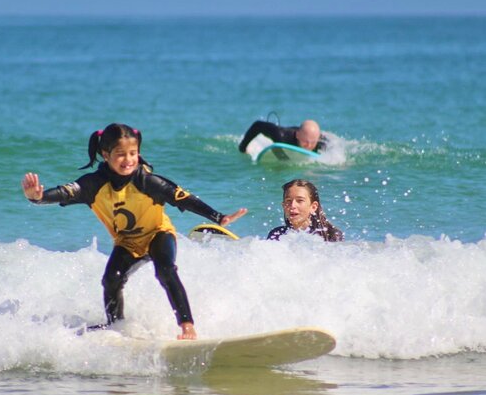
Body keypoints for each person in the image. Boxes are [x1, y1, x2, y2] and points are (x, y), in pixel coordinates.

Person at [22, 123, 247, 340]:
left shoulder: (148, 182)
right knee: (111, 280)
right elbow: (64, 192)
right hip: (126, 242)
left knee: (166, 270)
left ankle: (187, 326)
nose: (128, 160)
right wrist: (38, 197)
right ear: (105, 154)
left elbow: (184, 199)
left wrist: (219, 217)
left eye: (133, 153)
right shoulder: (93, 184)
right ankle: (116, 326)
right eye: (121, 154)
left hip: (158, 234)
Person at [267, 179, 343, 242]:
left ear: (313, 207)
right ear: (283, 206)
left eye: (300, 200)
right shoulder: (277, 234)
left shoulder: (330, 235)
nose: (292, 206)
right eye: (288, 201)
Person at [238, 119, 327, 153]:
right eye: (306, 142)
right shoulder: (281, 136)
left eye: (312, 142)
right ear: (297, 135)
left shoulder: (320, 143)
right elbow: (258, 125)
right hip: (287, 132)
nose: (309, 146)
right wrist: (243, 148)